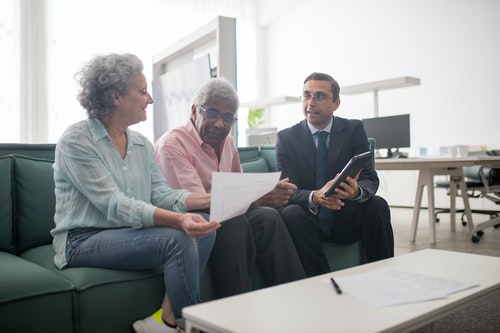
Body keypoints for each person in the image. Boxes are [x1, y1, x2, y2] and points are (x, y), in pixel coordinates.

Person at [51, 53, 219, 333]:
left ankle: (163, 321)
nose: (150, 99)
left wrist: (211, 200)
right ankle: (189, 327)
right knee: (179, 237)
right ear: (116, 96)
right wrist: (178, 220)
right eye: (142, 92)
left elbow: (161, 193)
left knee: (205, 228)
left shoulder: (141, 144)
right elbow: (114, 204)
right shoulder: (76, 140)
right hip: (83, 239)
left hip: (127, 231)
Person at [155, 77, 306, 299]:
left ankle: (297, 296)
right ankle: (234, 306)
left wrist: (263, 193)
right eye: (213, 114)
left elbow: (239, 186)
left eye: (228, 118)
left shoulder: (228, 143)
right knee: (234, 221)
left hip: (225, 212)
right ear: (195, 110)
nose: (220, 124)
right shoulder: (172, 144)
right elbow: (194, 200)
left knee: (269, 217)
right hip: (191, 219)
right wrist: (257, 197)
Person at [276, 72, 394, 277]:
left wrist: (356, 192)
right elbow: (286, 191)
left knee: (378, 205)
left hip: (345, 214)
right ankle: (322, 282)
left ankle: (384, 276)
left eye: (320, 96)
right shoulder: (286, 138)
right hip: (308, 220)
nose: (311, 102)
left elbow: (369, 178)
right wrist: (315, 197)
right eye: (306, 95)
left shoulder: (353, 129)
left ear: (336, 103)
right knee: (290, 213)